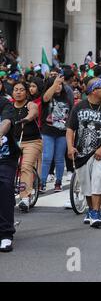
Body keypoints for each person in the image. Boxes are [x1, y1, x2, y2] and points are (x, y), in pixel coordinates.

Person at [67, 78, 101, 228]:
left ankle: (96, 212)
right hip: (82, 153)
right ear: (94, 90)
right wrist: (70, 147)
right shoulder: (79, 107)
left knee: (98, 179)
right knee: (86, 185)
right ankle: (91, 209)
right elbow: (70, 128)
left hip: (100, 153)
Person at [40, 75, 73, 193]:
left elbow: (70, 116)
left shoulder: (67, 98)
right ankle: (42, 182)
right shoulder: (47, 97)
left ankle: (58, 182)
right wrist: (55, 83)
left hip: (62, 133)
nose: (58, 86)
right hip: (48, 132)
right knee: (47, 157)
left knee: (59, 159)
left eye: (60, 84)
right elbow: (45, 98)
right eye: (55, 84)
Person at [12, 82, 42, 212]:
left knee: (25, 166)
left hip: (32, 142)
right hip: (13, 142)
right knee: (7, 168)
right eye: (16, 90)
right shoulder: (8, 107)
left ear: (26, 92)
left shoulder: (31, 104)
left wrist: (27, 119)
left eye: (21, 90)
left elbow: (34, 112)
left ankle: (25, 198)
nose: (18, 92)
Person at [0, 95, 20, 252]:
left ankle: (6, 234)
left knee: (5, 187)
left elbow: (6, 122)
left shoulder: (5, 103)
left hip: (5, 157)